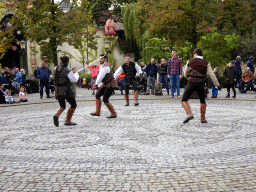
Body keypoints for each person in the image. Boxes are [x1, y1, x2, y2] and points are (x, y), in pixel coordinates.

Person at [182, 48, 220, 124]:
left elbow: (185, 72)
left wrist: (188, 77)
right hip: (201, 83)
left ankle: (189, 114)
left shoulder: (190, 61)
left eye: (194, 54)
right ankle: (203, 119)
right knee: (202, 101)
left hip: (191, 82)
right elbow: (212, 74)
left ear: (196, 54)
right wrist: (217, 84)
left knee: (184, 99)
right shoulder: (206, 62)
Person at [53, 56, 79, 126]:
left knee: (62, 106)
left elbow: (60, 75)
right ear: (67, 62)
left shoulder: (56, 69)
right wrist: (76, 73)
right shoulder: (67, 71)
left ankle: (57, 115)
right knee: (73, 104)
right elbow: (74, 80)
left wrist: (70, 71)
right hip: (66, 90)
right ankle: (67, 120)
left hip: (58, 90)